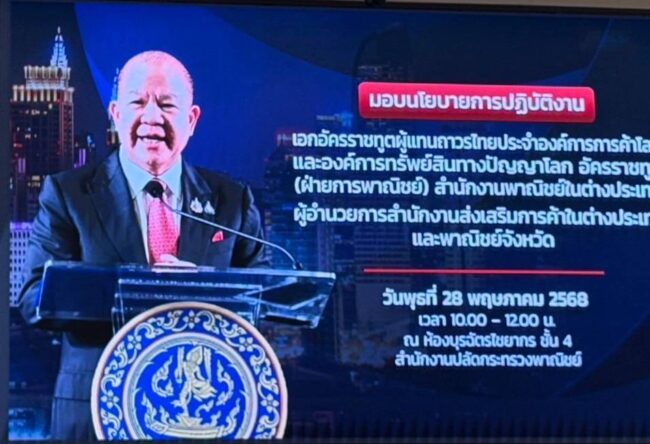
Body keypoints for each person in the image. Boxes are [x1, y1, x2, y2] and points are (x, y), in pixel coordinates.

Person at [19, 50, 267, 441]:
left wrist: (200, 290)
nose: (152, 117)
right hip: (96, 415)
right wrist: (141, 290)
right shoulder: (68, 194)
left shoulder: (232, 201)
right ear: (116, 114)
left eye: (167, 105)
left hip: (205, 415)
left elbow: (267, 297)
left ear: (191, 120)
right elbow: (34, 298)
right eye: (138, 102)